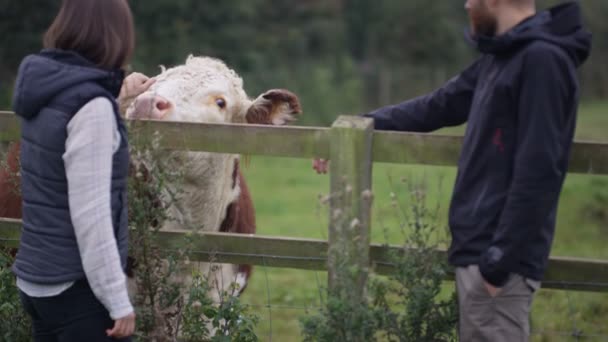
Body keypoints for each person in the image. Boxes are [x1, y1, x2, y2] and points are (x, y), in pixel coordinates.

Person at [314, 0, 591, 341]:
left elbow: (540, 170)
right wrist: (360, 124)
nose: (467, 4)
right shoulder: (502, 57)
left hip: (498, 263)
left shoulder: (541, 61)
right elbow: (437, 106)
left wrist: (498, 263)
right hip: (479, 256)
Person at [11, 0, 154, 340]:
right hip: (77, 290)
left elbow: (61, 158)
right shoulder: (92, 109)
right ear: (115, 37)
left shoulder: (46, 88)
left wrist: (115, 100)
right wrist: (118, 300)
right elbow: (91, 215)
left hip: (36, 281)